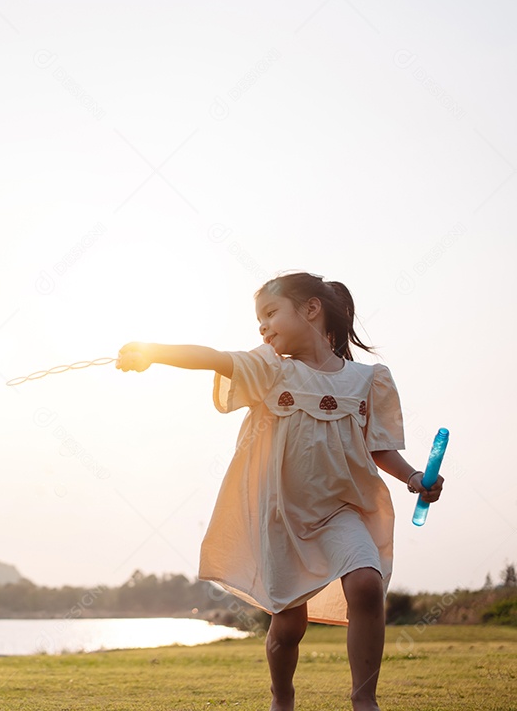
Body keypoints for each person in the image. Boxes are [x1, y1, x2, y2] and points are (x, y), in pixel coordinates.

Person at [116, 271, 443, 711]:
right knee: (289, 627)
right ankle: (282, 695)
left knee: (367, 585)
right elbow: (213, 358)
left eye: (271, 313)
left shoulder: (368, 380)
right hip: (281, 516)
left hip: (343, 510)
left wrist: (413, 477)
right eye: (259, 320)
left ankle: (364, 699)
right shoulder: (269, 369)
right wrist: (152, 352)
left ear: (311, 309)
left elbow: (379, 446)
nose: (263, 327)